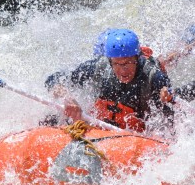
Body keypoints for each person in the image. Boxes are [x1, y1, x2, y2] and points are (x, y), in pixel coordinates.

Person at [45, 29, 173, 133]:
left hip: (135, 136)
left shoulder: (154, 77)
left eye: (128, 62)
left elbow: (170, 123)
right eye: (117, 64)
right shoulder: (99, 67)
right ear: (110, 61)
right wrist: (67, 97)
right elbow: (53, 79)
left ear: (137, 58)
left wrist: (166, 98)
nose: (123, 70)